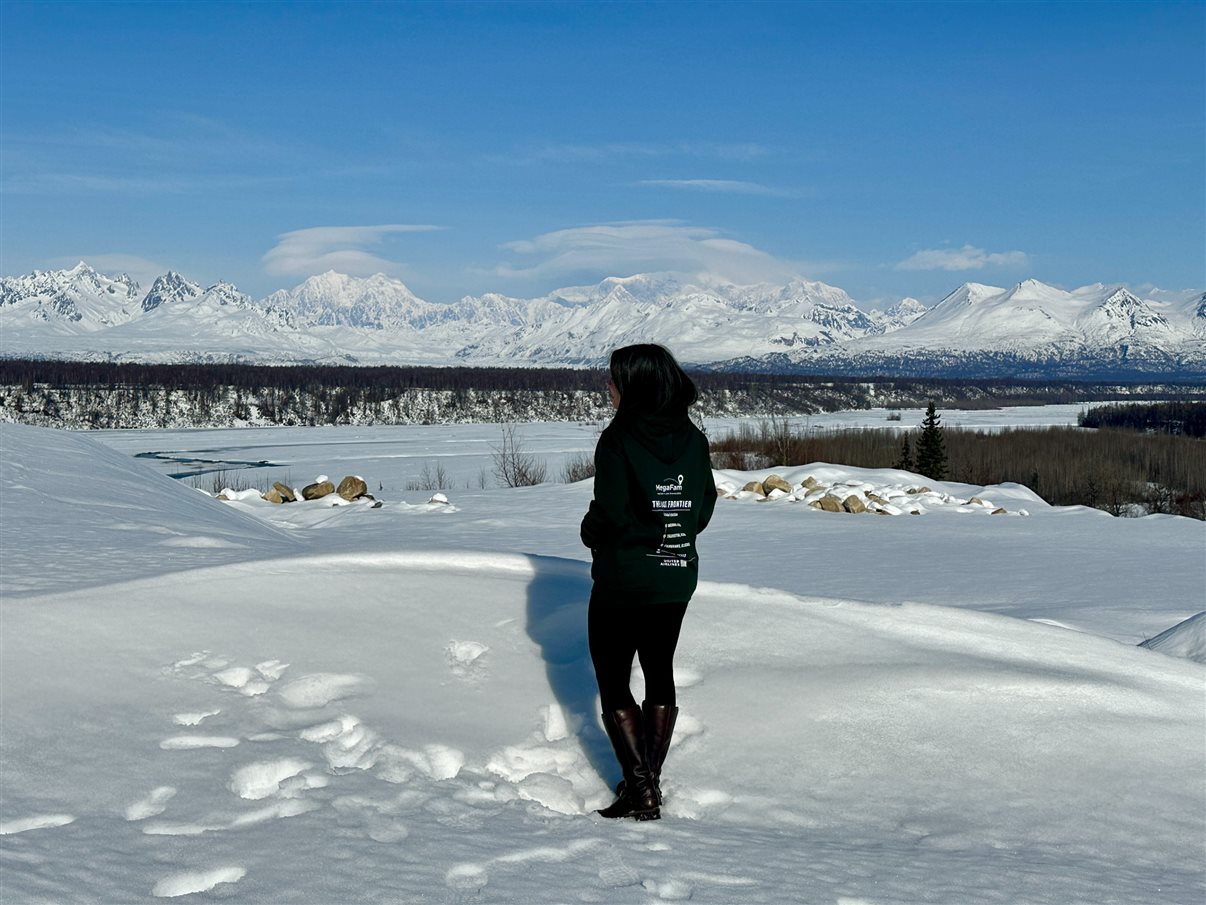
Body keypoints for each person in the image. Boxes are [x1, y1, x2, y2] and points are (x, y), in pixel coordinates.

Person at [580, 344, 717, 821]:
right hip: (677, 577)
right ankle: (646, 784)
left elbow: (612, 513)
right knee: (659, 672)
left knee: (613, 678)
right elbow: (701, 508)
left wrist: (589, 531)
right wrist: (673, 531)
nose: (608, 388)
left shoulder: (617, 440)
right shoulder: (694, 439)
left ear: (633, 385)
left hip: (624, 579)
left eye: (613, 380)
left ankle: (641, 791)